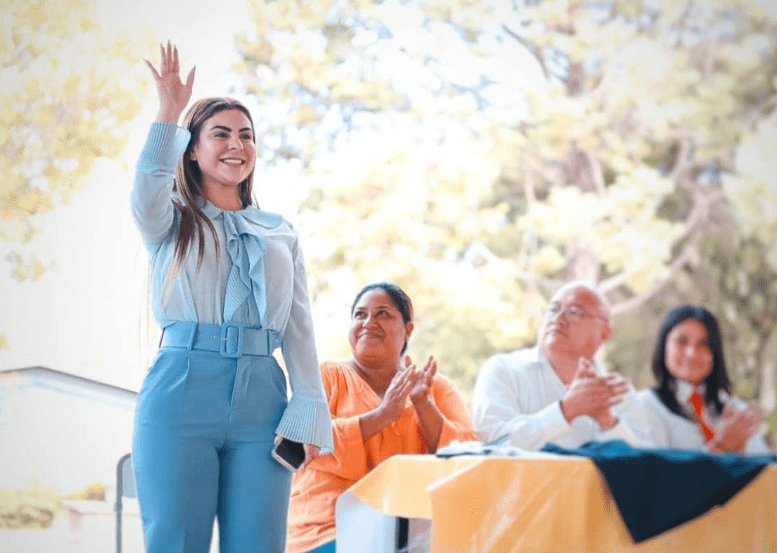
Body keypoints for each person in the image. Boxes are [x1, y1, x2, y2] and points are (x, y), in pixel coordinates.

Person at [130, 42, 333, 553]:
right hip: (180, 389)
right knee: (175, 541)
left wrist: (308, 405)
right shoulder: (169, 220)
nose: (235, 143)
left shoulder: (280, 232)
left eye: (246, 135)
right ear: (192, 149)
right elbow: (147, 186)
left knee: (260, 545)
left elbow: (300, 326)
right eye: (220, 133)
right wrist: (170, 112)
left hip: (263, 398)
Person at [286, 282, 477, 553]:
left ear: (408, 330)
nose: (368, 322)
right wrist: (382, 415)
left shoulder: (436, 387)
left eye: (383, 314)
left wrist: (423, 404)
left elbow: (469, 454)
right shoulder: (326, 377)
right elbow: (303, 444)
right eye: (360, 314)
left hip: (413, 532)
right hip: (328, 529)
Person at [473, 281, 649, 450]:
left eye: (574, 312)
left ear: (604, 333)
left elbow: (647, 468)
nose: (558, 319)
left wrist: (607, 421)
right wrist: (566, 410)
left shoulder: (620, 393)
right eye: (553, 310)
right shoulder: (504, 370)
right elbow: (492, 445)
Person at [635, 305, 772, 454]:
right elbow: (655, 473)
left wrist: (742, 450)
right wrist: (720, 447)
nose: (691, 353)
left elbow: (766, 471)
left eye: (704, 344)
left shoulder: (736, 411)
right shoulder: (645, 406)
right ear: (663, 346)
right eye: (681, 341)